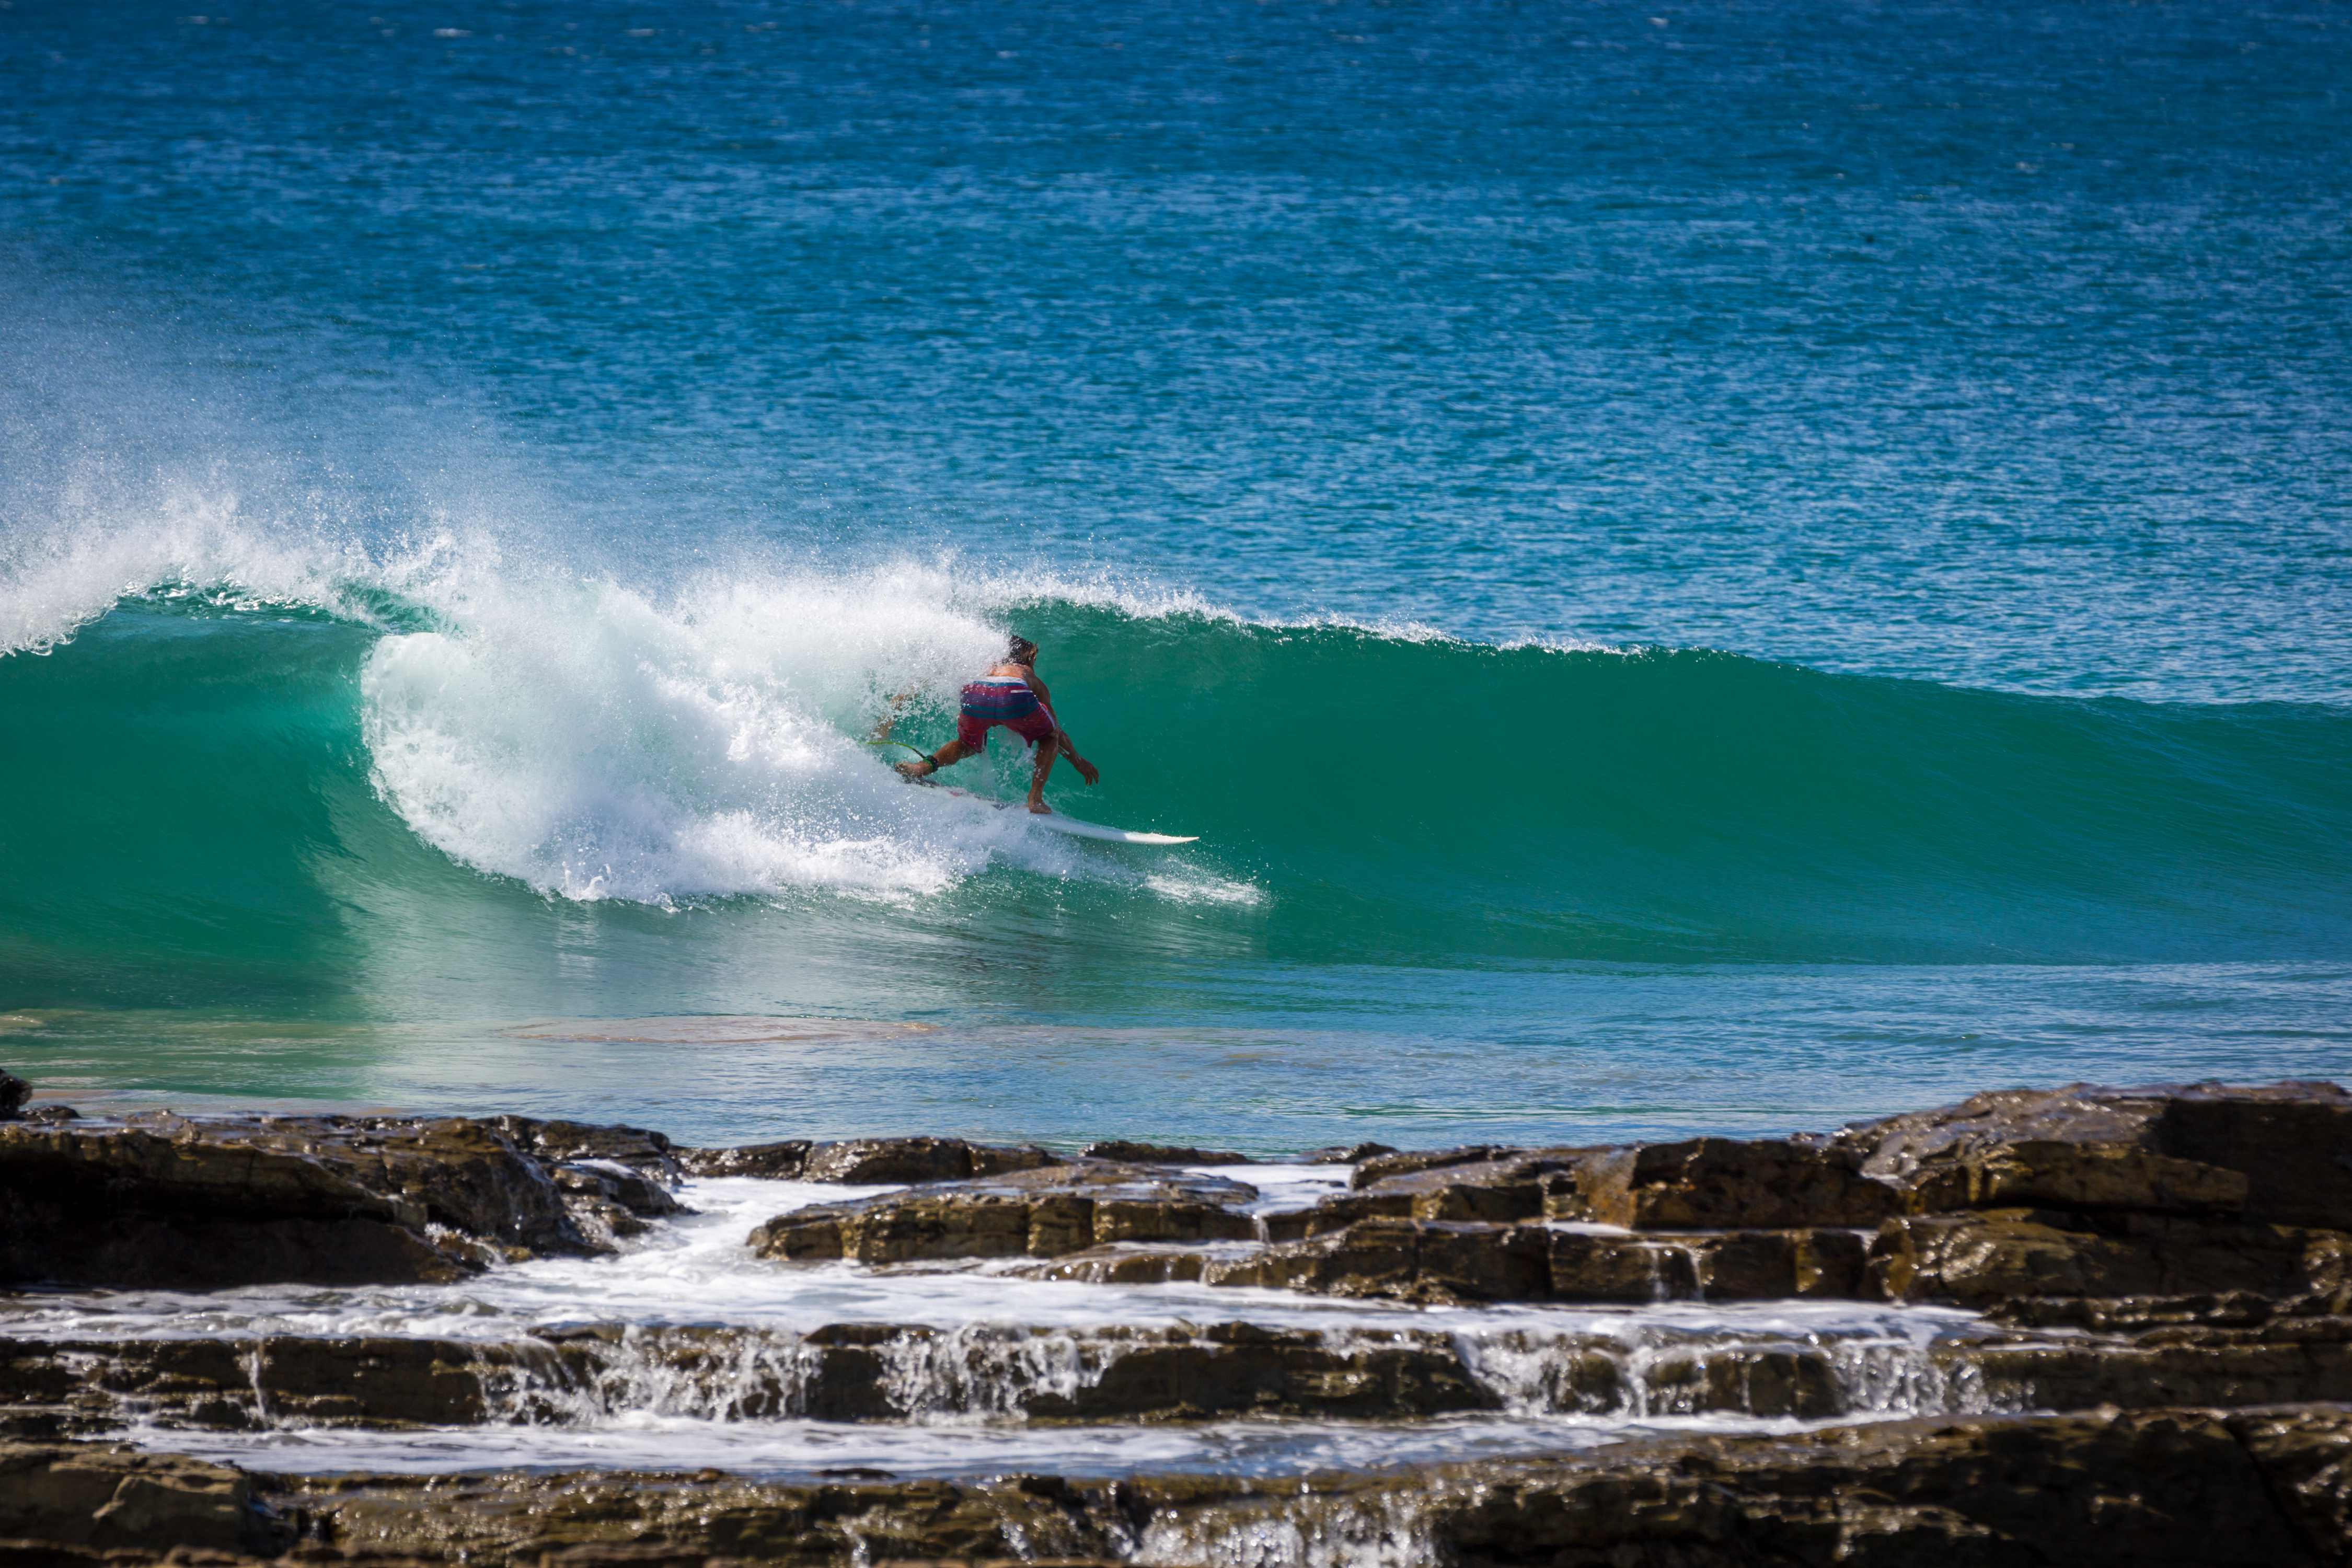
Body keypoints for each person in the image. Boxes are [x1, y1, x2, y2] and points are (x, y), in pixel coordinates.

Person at [889, 635, 1100, 813]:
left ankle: (920, 768)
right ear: (1032, 657)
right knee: (1049, 737)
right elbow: (1057, 733)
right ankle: (1035, 799)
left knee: (966, 744)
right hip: (1014, 691)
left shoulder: (989, 668)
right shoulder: (1027, 674)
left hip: (977, 689)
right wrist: (1077, 761)